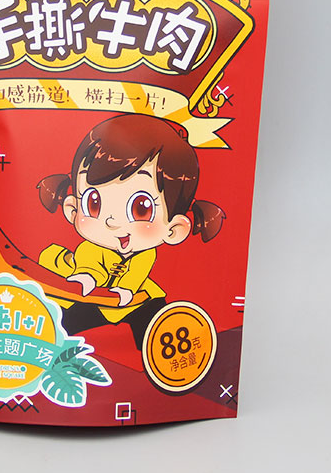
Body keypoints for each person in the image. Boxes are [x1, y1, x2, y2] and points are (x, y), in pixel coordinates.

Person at [37, 113, 224, 349]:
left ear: (174, 229)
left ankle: (159, 358)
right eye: (94, 203)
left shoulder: (145, 255)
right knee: (63, 322)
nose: (112, 221)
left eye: (141, 208)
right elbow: (88, 262)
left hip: (132, 298)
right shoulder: (90, 249)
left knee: (153, 316)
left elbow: (137, 272)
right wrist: (87, 276)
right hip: (89, 292)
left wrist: (126, 289)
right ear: (72, 209)